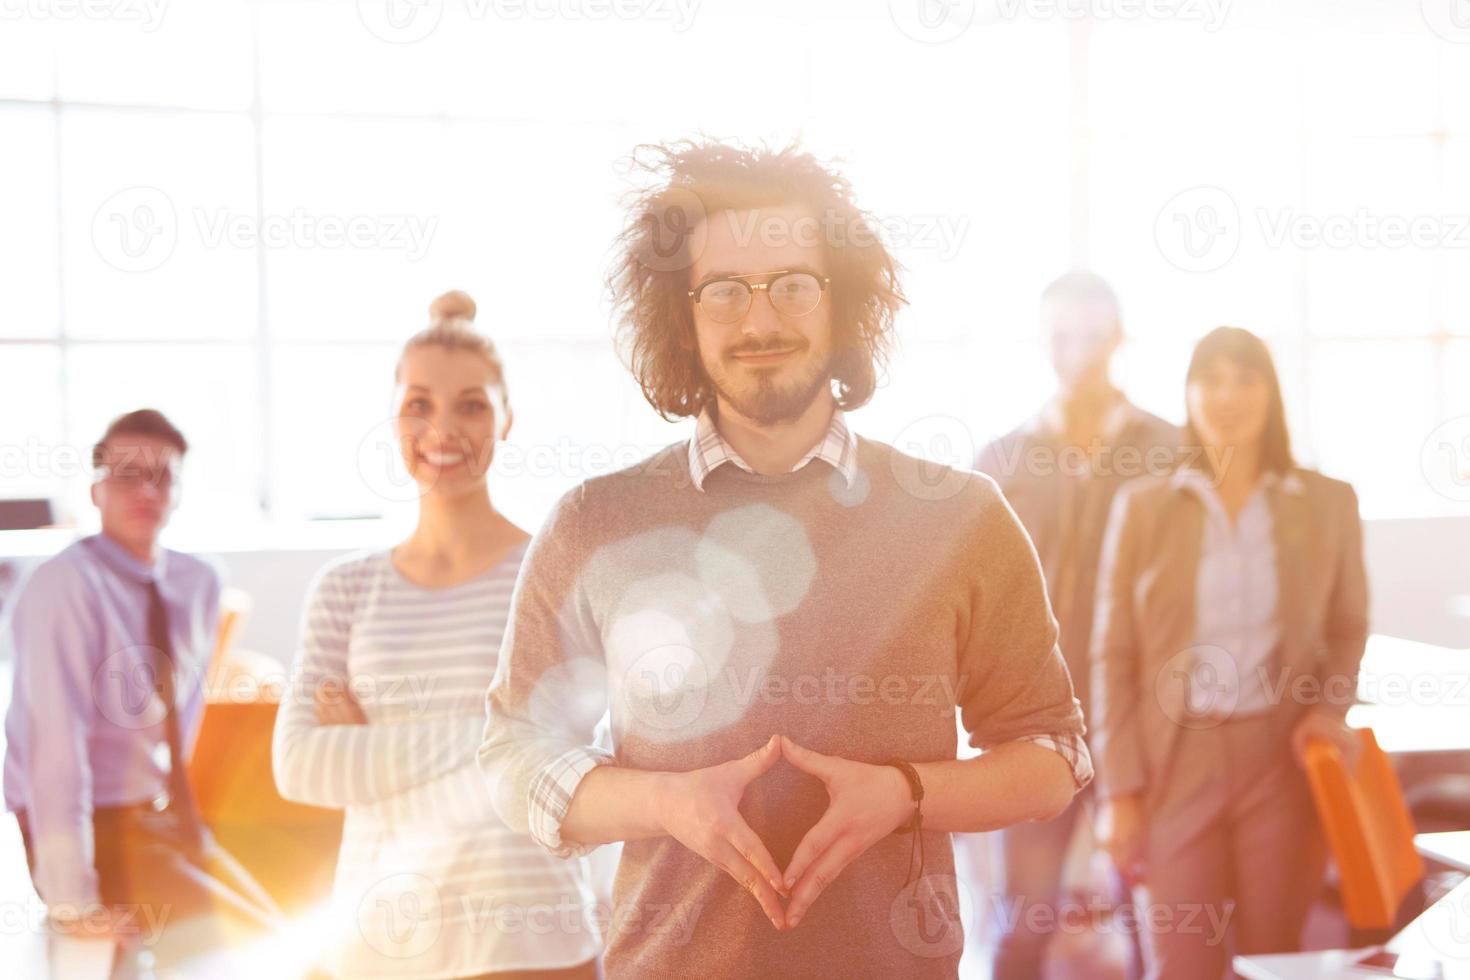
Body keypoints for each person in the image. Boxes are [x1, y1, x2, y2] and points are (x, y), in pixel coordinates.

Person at [478, 140, 1092, 980]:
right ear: (682, 319)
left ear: (843, 303)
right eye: (724, 290)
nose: (761, 321)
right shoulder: (595, 522)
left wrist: (906, 795)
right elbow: (513, 752)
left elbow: (1053, 760)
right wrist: (664, 801)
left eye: (793, 284)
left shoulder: (962, 517)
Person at [272, 292, 602, 980]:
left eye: (472, 405)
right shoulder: (345, 588)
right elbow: (300, 765)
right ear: (393, 418)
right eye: (418, 404)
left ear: (506, 418)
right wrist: (499, 734)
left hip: (533, 943)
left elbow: (569, 762)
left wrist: (367, 750)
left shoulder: (553, 572)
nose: (442, 428)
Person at [1090, 327, 1368, 978]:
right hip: (1174, 762)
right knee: (1180, 963)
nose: (1227, 395)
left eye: (1245, 379)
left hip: (1280, 760)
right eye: (1210, 378)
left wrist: (1330, 709)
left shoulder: (1328, 503)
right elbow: (1112, 655)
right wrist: (1120, 790)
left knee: (1274, 960)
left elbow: (1349, 625)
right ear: (1187, 394)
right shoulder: (1143, 508)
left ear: (1271, 393)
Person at [3, 409, 280, 969]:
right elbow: (55, 752)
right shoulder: (64, 586)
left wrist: (184, 816)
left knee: (280, 926)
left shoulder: (198, 582)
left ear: (178, 491)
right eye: (127, 474)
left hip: (165, 817)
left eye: (163, 475)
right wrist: (73, 898)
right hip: (95, 829)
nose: (146, 489)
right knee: (245, 954)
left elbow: (187, 715)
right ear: (96, 489)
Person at [973, 271, 1178, 979]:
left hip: (1143, 730)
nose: (1078, 352)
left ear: (1119, 339)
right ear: (1043, 343)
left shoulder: (1174, 453)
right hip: (1035, 730)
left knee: (1161, 932)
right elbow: (974, 605)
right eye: (1063, 336)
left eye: (1093, 335)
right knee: (1020, 932)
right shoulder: (1000, 462)